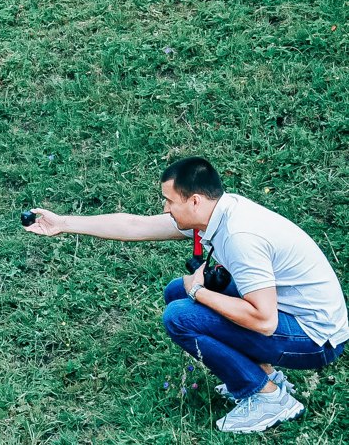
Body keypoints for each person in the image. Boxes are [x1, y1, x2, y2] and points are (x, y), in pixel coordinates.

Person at [24, 156, 348, 433]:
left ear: (194, 200)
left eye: (169, 201)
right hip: (297, 316)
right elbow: (134, 226)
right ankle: (264, 376)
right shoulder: (218, 212)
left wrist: (200, 292)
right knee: (176, 291)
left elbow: (264, 320)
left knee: (180, 316)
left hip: (316, 339)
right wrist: (63, 223)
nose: (164, 208)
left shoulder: (240, 237)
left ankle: (266, 397)